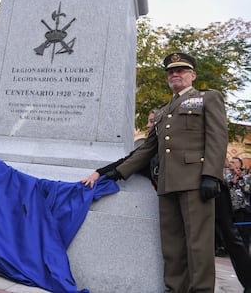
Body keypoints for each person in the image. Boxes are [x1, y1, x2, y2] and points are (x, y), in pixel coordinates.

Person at [83, 52, 228, 293]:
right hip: (167, 184)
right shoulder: (163, 111)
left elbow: (217, 137)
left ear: (192, 75)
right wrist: (115, 172)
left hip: (195, 182)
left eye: (181, 70)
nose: (175, 74)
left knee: (198, 246)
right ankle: (175, 288)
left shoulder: (206, 99)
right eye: (171, 71)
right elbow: (147, 149)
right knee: (172, 246)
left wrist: (211, 175)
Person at [225, 157, 251, 253]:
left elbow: (247, 190)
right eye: (230, 161)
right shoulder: (227, 177)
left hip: (243, 209)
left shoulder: (246, 176)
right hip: (230, 208)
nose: (230, 163)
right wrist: (231, 183)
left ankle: (244, 254)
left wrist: (240, 179)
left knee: (243, 234)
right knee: (232, 232)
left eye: (233, 162)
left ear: (239, 165)